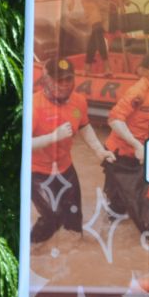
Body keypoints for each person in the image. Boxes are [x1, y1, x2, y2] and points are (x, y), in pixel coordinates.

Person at [31, 57, 114, 243]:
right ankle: (30, 249)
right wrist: (53, 137)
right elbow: (23, 145)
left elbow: (84, 127)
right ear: (47, 79)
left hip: (65, 170)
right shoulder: (34, 106)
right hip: (37, 173)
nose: (65, 85)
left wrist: (99, 151)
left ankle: (74, 263)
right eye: (59, 80)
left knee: (74, 222)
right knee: (52, 218)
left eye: (69, 79)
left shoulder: (79, 101)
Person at [103, 50, 149, 218]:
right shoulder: (138, 91)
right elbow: (114, 120)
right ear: (146, 71)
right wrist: (136, 144)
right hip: (119, 155)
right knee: (118, 208)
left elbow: (147, 115)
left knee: (136, 197)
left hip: (136, 153)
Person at [71, 0, 132, 73]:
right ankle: (106, 64)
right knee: (98, 29)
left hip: (104, 1)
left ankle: (87, 66)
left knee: (95, 34)